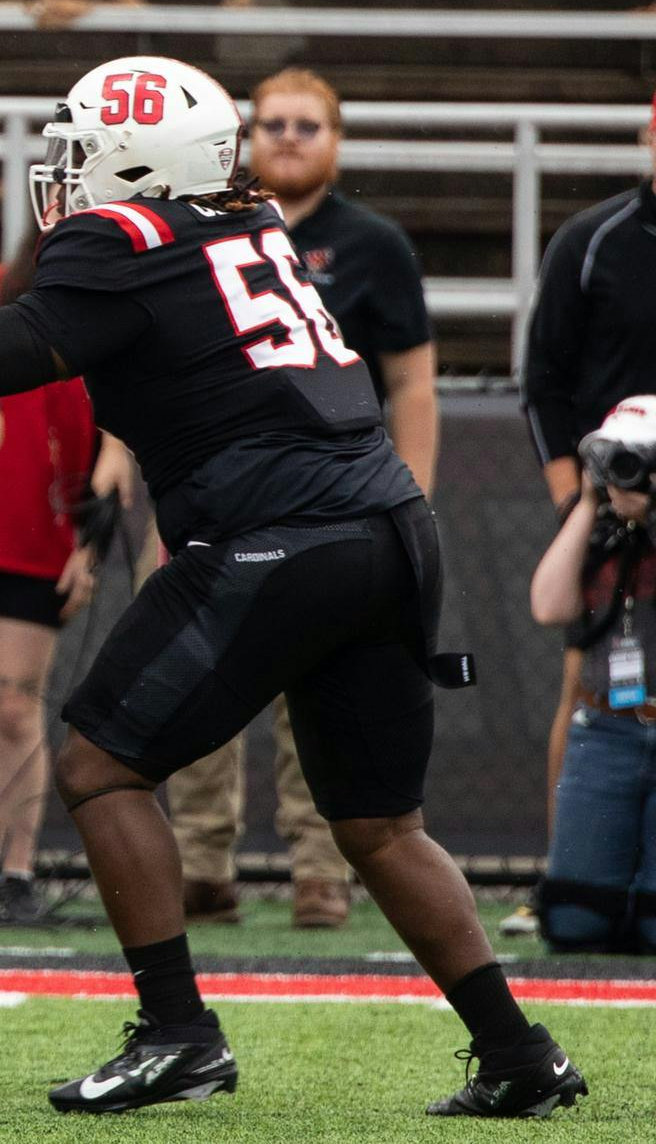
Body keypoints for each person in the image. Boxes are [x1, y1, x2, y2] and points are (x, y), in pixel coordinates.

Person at [0, 53, 587, 1119]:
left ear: (135, 162)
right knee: (380, 823)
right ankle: (517, 1051)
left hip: (278, 532)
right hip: (386, 526)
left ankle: (175, 1030)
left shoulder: (122, 238)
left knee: (99, 763)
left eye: (78, 153)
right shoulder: (247, 223)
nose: (58, 177)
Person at [167, 66, 440, 931]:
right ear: (246, 138)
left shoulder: (375, 245)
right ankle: (199, 861)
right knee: (189, 669)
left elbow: (415, 387)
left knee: (317, 683)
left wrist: (417, 501)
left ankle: (320, 868)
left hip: (333, 498)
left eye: (307, 126)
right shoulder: (207, 229)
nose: (288, 138)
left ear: (338, 140)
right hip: (215, 488)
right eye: (273, 124)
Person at [0, 232, 131, 923]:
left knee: (12, 705)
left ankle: (16, 871)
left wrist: (87, 552)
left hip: (42, 539)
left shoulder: (109, 314)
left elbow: (120, 440)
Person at [514, 90, 656, 938]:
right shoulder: (593, 238)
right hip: (611, 495)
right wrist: (582, 504)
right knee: (587, 687)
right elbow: (544, 382)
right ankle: (567, 870)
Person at [530, 397, 656, 954]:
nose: (626, 476)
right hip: (607, 731)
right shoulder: (600, 538)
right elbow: (548, 605)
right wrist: (586, 502)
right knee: (574, 922)